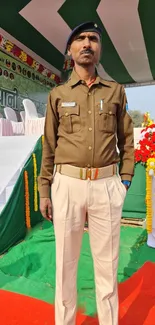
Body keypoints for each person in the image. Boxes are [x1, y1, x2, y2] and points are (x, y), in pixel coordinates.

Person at [38, 21, 134, 325]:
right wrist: (44, 190)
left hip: (106, 185)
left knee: (107, 266)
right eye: (80, 39)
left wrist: (126, 179)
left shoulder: (116, 91)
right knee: (66, 266)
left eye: (93, 38)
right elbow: (49, 146)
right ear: (70, 49)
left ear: (99, 48)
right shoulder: (57, 94)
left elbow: (127, 140)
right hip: (67, 186)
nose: (87, 43)